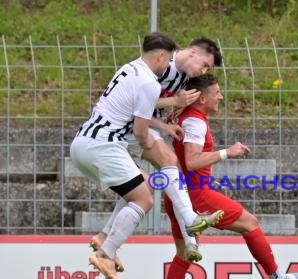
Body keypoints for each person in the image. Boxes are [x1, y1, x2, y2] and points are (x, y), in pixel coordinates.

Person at [159, 74, 298, 279]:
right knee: (250, 223)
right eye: (217, 92)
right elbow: (192, 161)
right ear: (202, 98)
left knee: (184, 253)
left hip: (174, 195)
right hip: (197, 195)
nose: (221, 96)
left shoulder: (179, 114)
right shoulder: (194, 121)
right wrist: (229, 152)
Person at [89, 37, 226, 266]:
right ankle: (191, 228)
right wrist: (174, 101)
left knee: (147, 184)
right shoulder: (162, 66)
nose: (203, 71)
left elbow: (157, 104)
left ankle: (105, 236)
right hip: (132, 127)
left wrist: (173, 113)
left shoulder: (183, 78)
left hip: (148, 127)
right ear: (192, 52)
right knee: (169, 164)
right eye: (204, 64)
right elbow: (139, 101)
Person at [70, 32, 178, 279]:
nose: (167, 67)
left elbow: (129, 115)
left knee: (146, 183)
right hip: (102, 146)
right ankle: (105, 255)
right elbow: (140, 131)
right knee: (144, 199)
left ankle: (104, 237)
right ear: (161, 56)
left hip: (82, 143)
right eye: (168, 61)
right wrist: (151, 146)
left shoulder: (129, 69)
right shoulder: (150, 83)